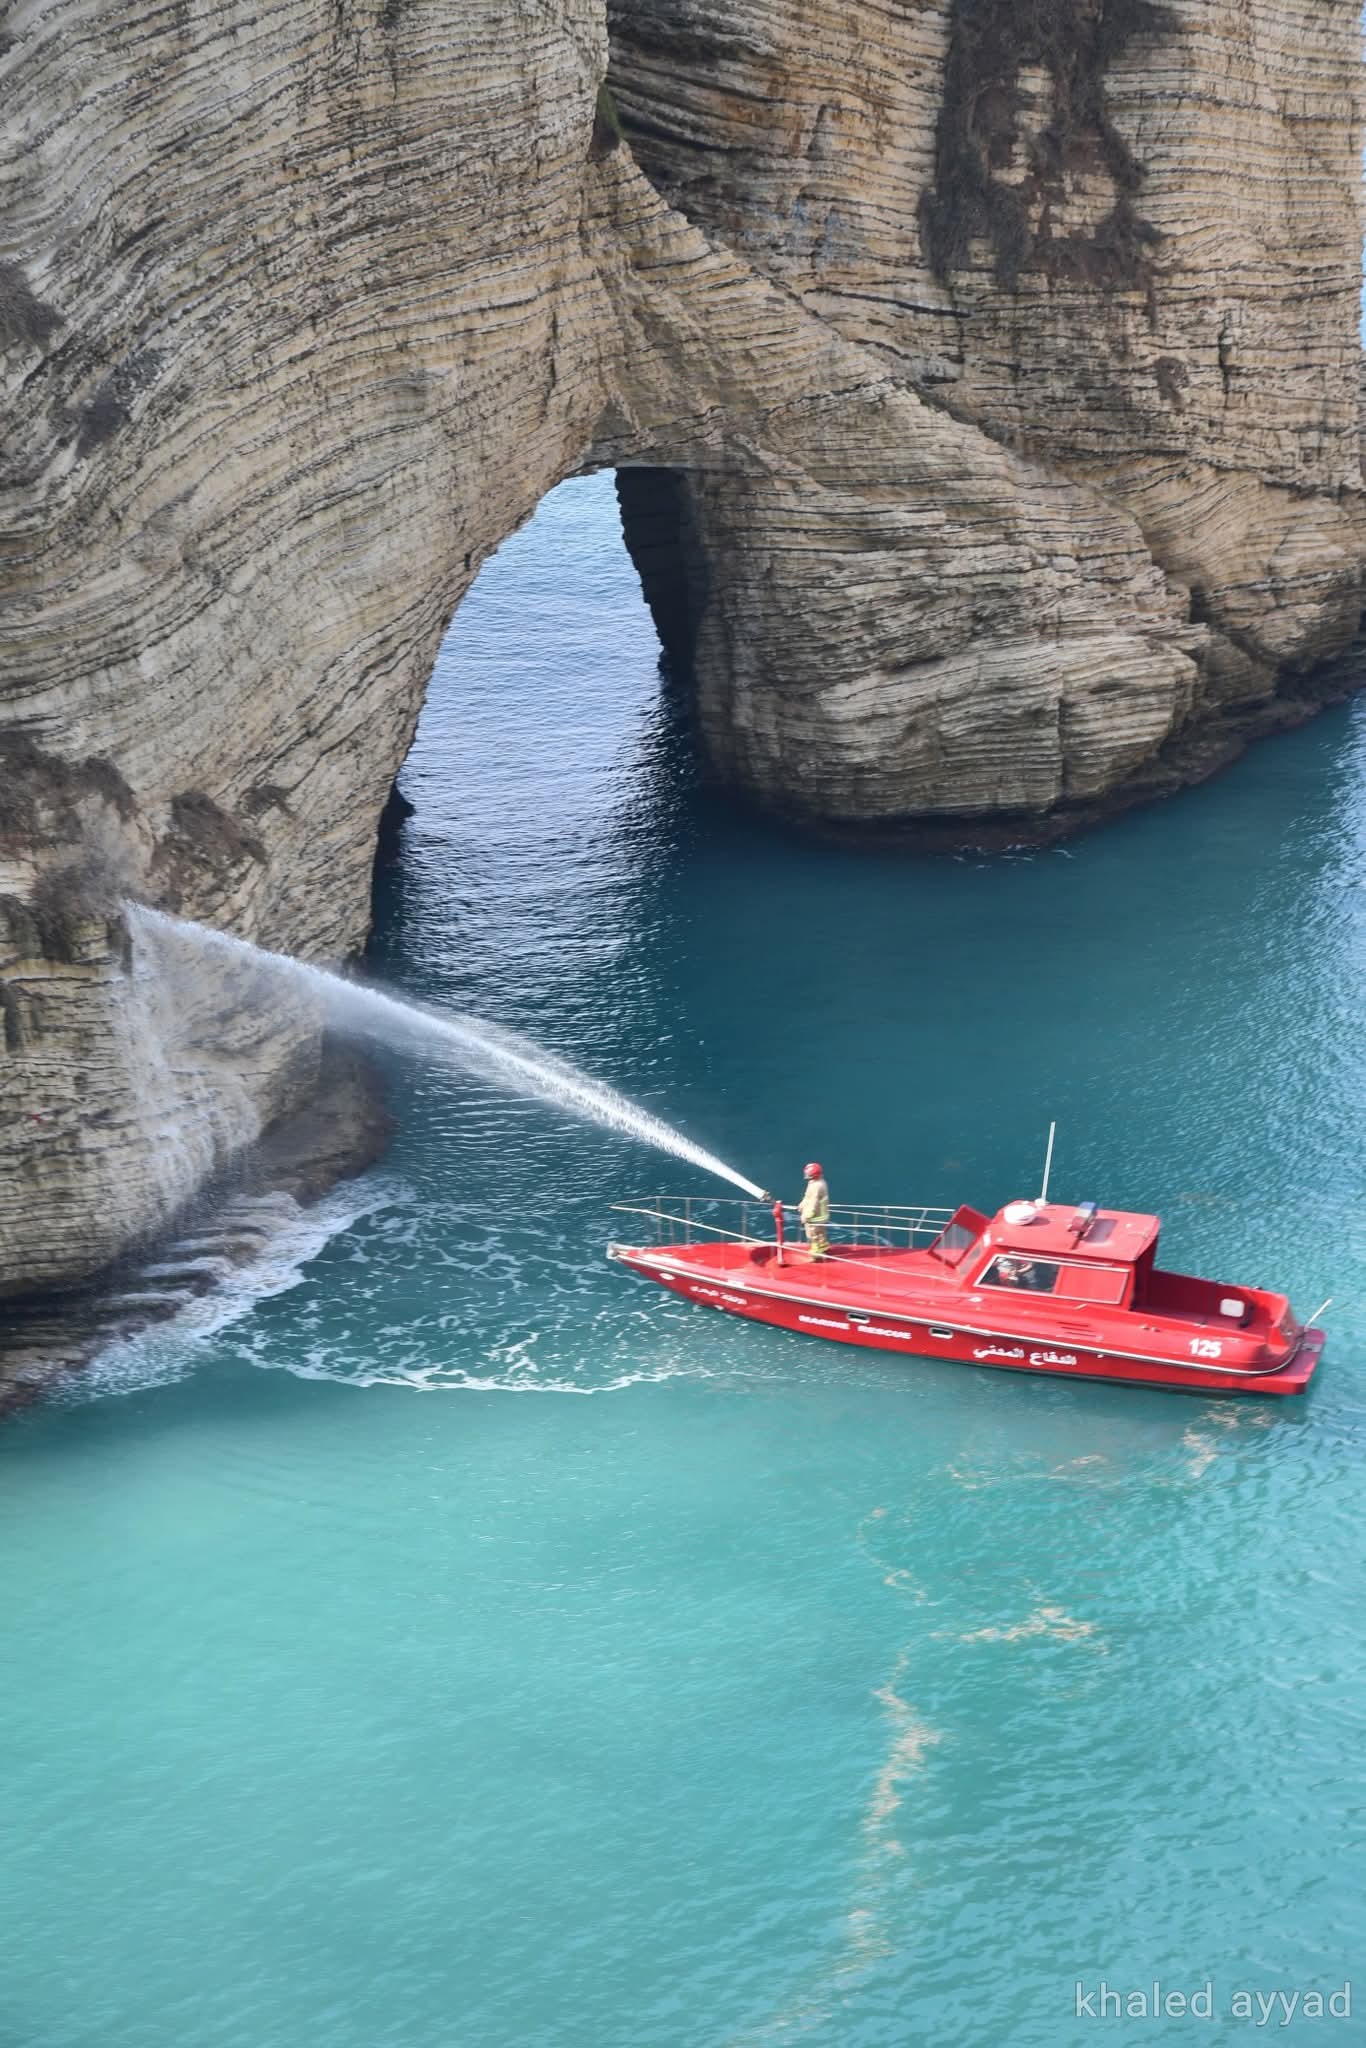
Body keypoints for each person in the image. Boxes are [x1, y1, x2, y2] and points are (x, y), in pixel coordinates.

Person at [798, 1160, 830, 1261]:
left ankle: (816, 1254)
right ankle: (824, 1246)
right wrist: (802, 1204)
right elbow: (807, 1197)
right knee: (821, 1233)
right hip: (822, 1215)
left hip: (816, 1217)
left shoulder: (817, 1186)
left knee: (813, 1234)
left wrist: (806, 1216)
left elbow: (813, 1203)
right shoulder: (816, 1182)